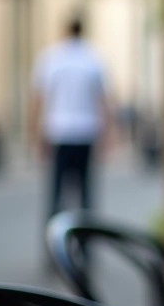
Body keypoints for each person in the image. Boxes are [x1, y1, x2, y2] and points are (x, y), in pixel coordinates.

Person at [29, 15, 113, 222]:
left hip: (59, 132)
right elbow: (103, 101)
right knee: (85, 195)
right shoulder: (93, 58)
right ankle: (84, 245)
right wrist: (109, 134)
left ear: (65, 30)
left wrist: (34, 134)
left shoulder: (51, 58)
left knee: (56, 195)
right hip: (86, 132)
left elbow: (39, 100)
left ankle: (54, 245)